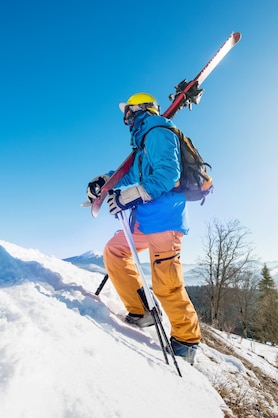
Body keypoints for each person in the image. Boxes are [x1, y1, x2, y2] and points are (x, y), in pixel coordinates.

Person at [86, 92, 201, 364]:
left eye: (127, 111)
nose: (124, 117)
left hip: (164, 220)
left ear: (138, 109)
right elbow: (131, 174)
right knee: (114, 252)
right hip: (144, 219)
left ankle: (186, 340)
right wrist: (106, 182)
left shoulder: (159, 132)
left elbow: (167, 175)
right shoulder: (144, 141)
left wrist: (126, 197)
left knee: (166, 285)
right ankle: (142, 312)